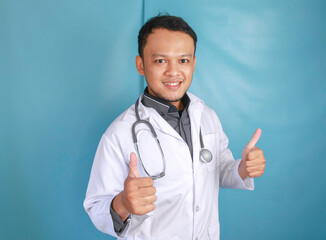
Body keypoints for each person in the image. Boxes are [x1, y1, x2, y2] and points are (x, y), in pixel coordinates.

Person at [84, 14, 266, 240]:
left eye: (183, 60)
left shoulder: (207, 116)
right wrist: (122, 203)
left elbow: (218, 169)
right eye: (160, 61)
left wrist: (243, 169)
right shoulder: (119, 133)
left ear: (194, 63)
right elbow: (95, 207)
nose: (173, 72)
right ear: (141, 64)